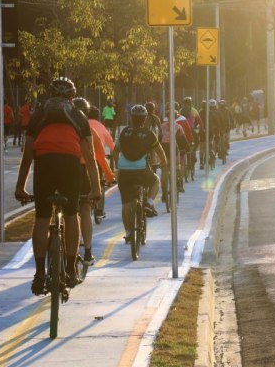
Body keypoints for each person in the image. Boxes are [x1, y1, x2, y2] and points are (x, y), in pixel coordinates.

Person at [14, 77, 101, 296]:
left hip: (44, 163)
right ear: (72, 97)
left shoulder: (39, 114)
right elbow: (89, 157)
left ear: (49, 94)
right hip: (70, 165)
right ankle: (71, 268)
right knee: (72, 214)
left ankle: (39, 273)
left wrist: (20, 187)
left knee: (42, 218)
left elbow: (27, 156)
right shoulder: (79, 116)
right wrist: (96, 189)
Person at [113, 105, 166, 238]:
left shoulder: (124, 132)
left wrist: (118, 165)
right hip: (141, 170)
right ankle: (149, 203)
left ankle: (128, 233)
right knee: (155, 181)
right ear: (145, 119)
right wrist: (164, 164)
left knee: (125, 203)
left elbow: (115, 151)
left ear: (131, 118)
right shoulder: (149, 134)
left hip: (124, 171)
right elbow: (160, 152)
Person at [73, 97, 114, 264]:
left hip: (60, 170)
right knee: (83, 209)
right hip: (82, 172)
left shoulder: (62, 125)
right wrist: (110, 175)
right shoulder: (89, 128)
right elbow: (100, 157)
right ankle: (88, 252)